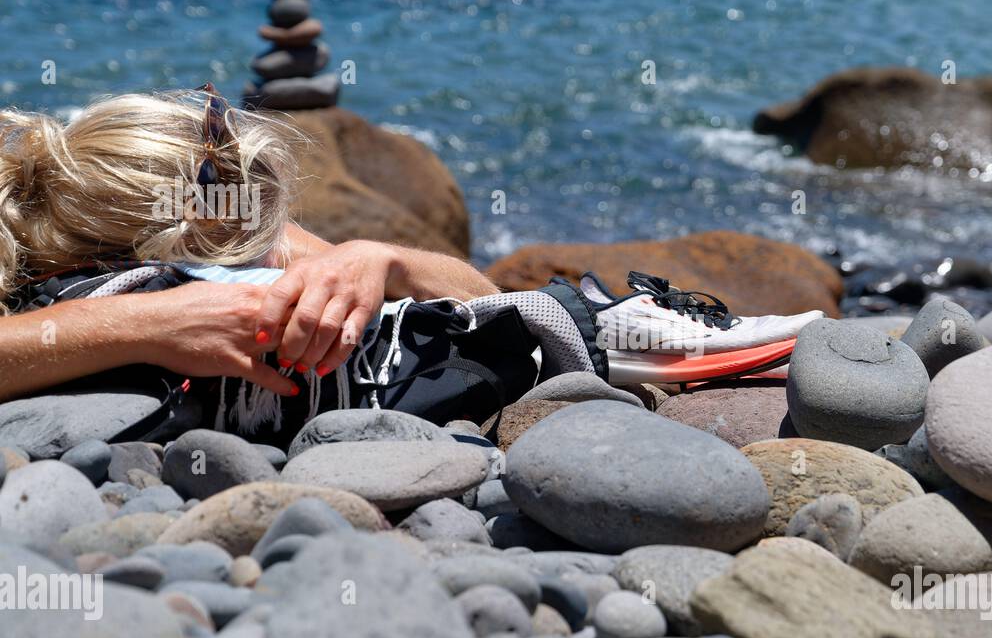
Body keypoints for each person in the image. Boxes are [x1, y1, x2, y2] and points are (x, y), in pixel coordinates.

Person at [0, 87, 819, 445]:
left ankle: (617, 338)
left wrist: (379, 257)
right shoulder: (115, 272)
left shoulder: (238, 239)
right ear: (169, 230)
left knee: (542, 316)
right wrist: (145, 320)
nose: (263, 242)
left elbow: (490, 297)